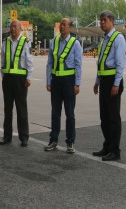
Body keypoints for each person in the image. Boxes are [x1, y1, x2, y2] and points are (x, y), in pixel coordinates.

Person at [44, 17, 82, 154]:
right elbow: (49, 63)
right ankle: (53, 140)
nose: (62, 27)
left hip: (68, 82)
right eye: (61, 24)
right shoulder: (53, 42)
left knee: (70, 113)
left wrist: (77, 83)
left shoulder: (75, 43)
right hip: (56, 81)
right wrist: (48, 81)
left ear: (70, 28)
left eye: (64, 25)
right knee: (55, 113)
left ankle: (70, 141)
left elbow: (78, 65)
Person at [92, 10, 126, 161]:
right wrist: (97, 81)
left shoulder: (118, 38)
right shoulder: (104, 39)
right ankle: (107, 146)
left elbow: (120, 63)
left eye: (105, 20)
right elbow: (100, 63)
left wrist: (116, 84)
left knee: (113, 117)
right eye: (101, 20)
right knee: (104, 117)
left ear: (112, 21)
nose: (102, 23)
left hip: (113, 82)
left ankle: (115, 150)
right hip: (104, 81)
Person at [0, 19, 34, 147]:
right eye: (11, 26)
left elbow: (29, 62)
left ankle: (24, 137)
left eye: (15, 26)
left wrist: (29, 77)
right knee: (7, 109)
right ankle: (7, 137)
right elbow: (3, 61)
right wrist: (3, 76)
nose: (13, 29)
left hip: (20, 80)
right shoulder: (5, 42)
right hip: (8, 80)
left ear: (20, 28)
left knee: (21, 109)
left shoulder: (25, 42)